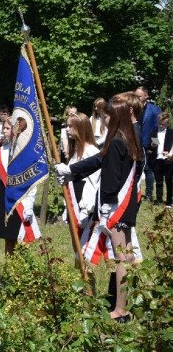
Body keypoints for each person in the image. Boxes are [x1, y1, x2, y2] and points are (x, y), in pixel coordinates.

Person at [56, 93, 143, 322]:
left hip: (115, 206)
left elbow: (111, 178)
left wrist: (104, 207)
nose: (104, 120)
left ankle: (121, 310)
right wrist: (71, 171)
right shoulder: (129, 137)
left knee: (121, 259)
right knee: (127, 257)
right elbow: (97, 161)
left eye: (108, 116)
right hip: (128, 205)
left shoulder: (116, 142)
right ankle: (130, 304)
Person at [0, 117, 38, 255]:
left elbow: (31, 182)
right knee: (8, 237)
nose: (3, 131)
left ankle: (21, 272)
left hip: (20, 199)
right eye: (3, 128)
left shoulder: (25, 152)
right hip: (4, 198)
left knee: (22, 238)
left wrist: (29, 205)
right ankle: (9, 271)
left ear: (16, 130)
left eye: (7, 128)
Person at [136, 86, 160, 203]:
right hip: (135, 142)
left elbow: (157, 129)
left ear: (146, 96)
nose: (137, 98)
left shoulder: (154, 110)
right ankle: (135, 192)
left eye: (139, 96)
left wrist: (154, 145)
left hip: (148, 145)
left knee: (148, 169)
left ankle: (149, 194)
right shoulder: (133, 109)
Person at [150, 112, 172, 207]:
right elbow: (152, 145)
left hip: (168, 159)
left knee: (169, 180)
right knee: (158, 181)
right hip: (157, 159)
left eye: (163, 124)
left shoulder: (171, 133)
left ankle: (169, 201)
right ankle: (159, 199)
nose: (161, 125)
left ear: (167, 123)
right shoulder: (154, 132)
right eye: (159, 123)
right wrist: (152, 145)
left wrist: (169, 153)